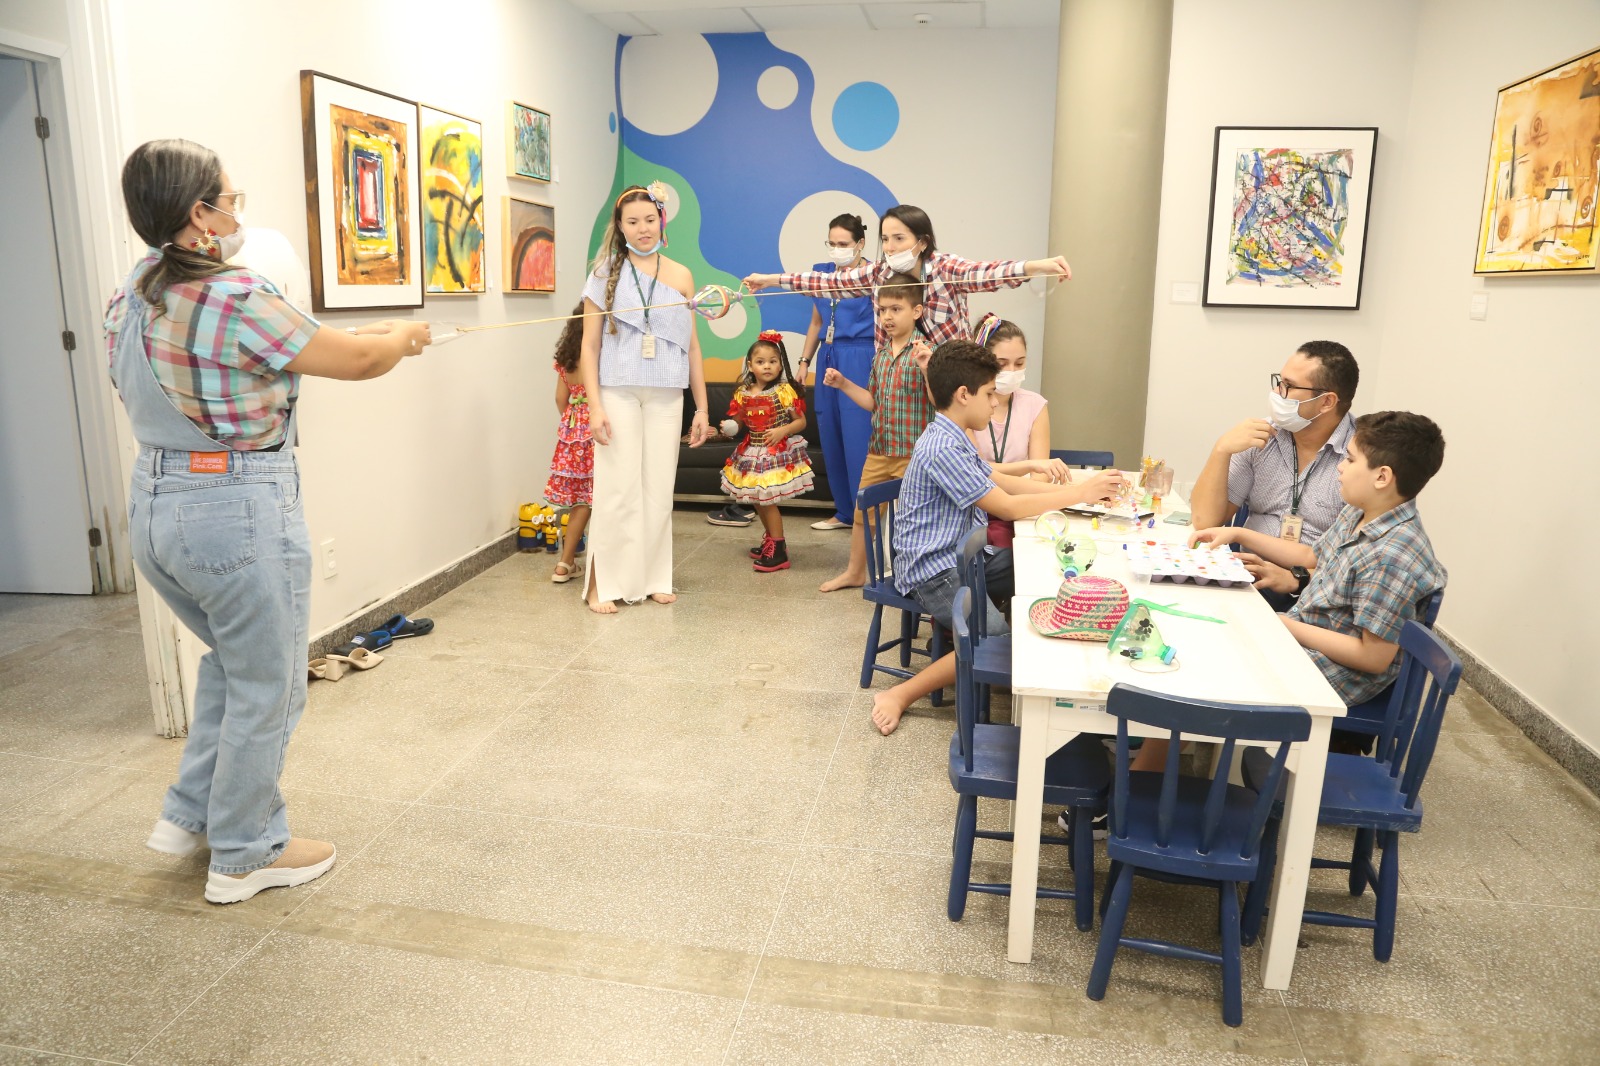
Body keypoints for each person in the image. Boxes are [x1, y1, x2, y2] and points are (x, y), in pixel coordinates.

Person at [106, 139, 432, 904]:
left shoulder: (134, 289)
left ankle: (190, 816)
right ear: (200, 214)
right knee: (271, 685)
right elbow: (357, 361)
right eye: (231, 200)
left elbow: (302, 347)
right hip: (233, 511)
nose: (236, 212)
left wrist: (376, 340)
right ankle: (246, 853)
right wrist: (401, 340)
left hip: (156, 508)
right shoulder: (233, 295)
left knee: (232, 664)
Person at [869, 340, 1125, 736]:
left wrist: (1082, 491)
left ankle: (1061, 654)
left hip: (965, 557)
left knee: (1040, 565)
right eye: (989, 393)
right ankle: (900, 694)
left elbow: (1003, 481)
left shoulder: (954, 435)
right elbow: (1006, 506)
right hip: (933, 571)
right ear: (963, 394)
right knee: (998, 642)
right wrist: (1078, 493)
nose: (994, 403)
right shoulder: (942, 447)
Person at [579, 183, 711, 614]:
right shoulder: (603, 274)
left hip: (667, 393)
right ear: (620, 226)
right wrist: (595, 406)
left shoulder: (682, 275)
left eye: (650, 220)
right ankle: (601, 584)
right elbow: (589, 347)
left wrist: (702, 408)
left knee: (658, 490)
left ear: (662, 221)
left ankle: (654, 578)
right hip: (618, 390)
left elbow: (693, 347)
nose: (643, 228)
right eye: (633, 222)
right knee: (618, 488)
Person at [742, 204, 1072, 349]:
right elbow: (827, 284)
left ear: (922, 241)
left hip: (947, 381)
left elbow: (988, 273)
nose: (890, 247)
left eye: (899, 238)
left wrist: (1038, 267)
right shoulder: (880, 273)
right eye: (885, 239)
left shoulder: (945, 268)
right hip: (898, 382)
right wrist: (770, 280)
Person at [1188, 340, 1359, 610]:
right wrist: (1221, 450)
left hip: (1317, 595)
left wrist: (1295, 579)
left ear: (1327, 401)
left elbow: (1355, 564)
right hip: (1249, 578)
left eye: (1288, 386)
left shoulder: (1360, 458)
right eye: (1279, 382)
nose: (1277, 393)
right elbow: (1204, 521)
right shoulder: (1261, 436)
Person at [799, 212, 876, 533]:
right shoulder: (821, 273)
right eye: (832, 243)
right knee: (830, 431)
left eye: (843, 244)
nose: (836, 249)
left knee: (858, 435)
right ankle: (844, 511)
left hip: (861, 355)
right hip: (828, 353)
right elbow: (816, 321)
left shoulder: (873, 275)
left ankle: (865, 513)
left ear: (860, 243)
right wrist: (804, 361)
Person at [719, 331, 814, 571]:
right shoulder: (742, 393)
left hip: (774, 453)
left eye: (773, 361)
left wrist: (783, 431)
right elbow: (738, 421)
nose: (767, 366)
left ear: (780, 364)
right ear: (750, 365)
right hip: (752, 452)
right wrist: (729, 427)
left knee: (767, 501)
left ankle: (779, 550)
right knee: (757, 501)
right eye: (760, 362)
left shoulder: (783, 391)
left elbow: (801, 422)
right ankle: (771, 539)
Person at [970, 313, 1053, 548]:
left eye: (1019, 363)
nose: (1012, 371)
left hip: (1021, 509)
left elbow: (1040, 472)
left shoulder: (1035, 405)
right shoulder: (967, 408)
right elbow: (976, 471)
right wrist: (1029, 469)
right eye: (1002, 363)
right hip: (977, 508)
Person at [543, 305, 592, 584]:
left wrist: (574, 421)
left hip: (572, 431)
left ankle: (564, 563)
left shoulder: (567, 359)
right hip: (600, 426)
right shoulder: (600, 354)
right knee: (604, 496)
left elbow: (560, 399)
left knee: (581, 501)